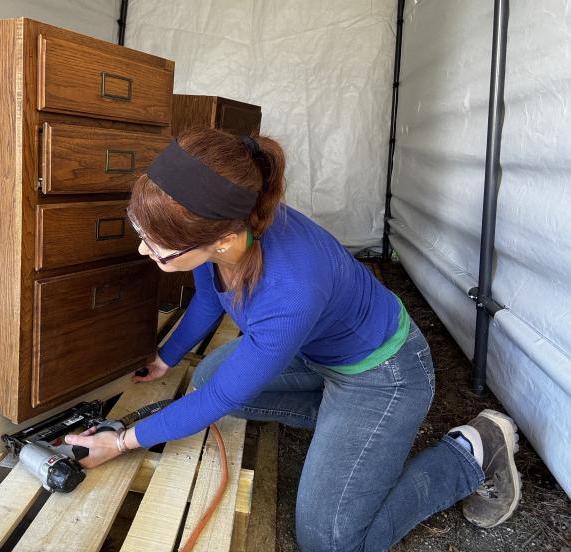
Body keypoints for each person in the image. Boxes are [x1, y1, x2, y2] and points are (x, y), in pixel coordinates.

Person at [64, 128, 521, 551]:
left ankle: (470, 452)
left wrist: (120, 442)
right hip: (317, 354)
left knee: (331, 542)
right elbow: (208, 300)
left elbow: (223, 397)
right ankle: (350, 430)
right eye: (142, 230)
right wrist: (166, 358)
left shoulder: (290, 289)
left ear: (220, 239)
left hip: (385, 374)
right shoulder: (230, 227)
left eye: (159, 246)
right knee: (207, 377)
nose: (145, 249)